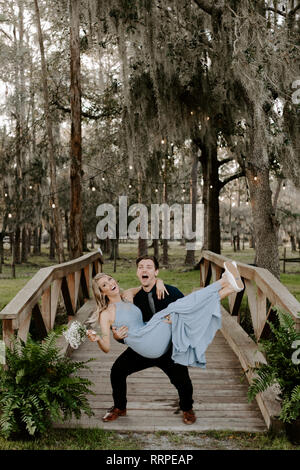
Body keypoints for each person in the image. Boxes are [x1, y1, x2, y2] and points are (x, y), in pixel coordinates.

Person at [87, 257, 244, 424]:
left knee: (181, 312)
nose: (110, 283)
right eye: (104, 285)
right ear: (102, 292)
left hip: (161, 341)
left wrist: (159, 283)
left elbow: (148, 288)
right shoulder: (113, 309)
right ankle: (120, 407)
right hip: (143, 344)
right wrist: (106, 338)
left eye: (110, 279)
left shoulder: (133, 295)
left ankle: (187, 408)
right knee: (117, 371)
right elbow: (107, 346)